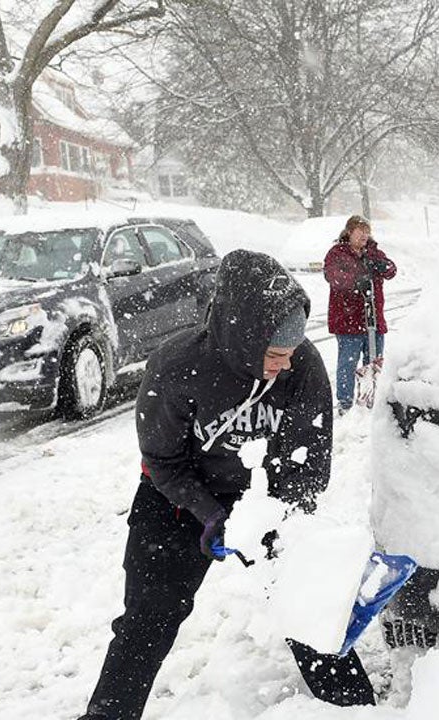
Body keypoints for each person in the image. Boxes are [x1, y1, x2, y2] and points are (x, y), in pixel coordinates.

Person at [79, 250, 375, 720]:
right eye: (275, 355)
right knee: (150, 615)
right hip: (176, 497)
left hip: (264, 498)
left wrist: (268, 519)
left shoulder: (304, 369)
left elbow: (307, 467)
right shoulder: (176, 366)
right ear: (244, 338)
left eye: (291, 354)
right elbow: (163, 461)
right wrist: (210, 514)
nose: (284, 365)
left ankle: (357, 708)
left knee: (305, 600)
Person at [323, 215, 397, 412]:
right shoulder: (337, 253)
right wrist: (356, 281)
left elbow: (391, 270)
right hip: (348, 320)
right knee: (348, 363)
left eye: (367, 231)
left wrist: (383, 266)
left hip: (374, 319)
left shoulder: (374, 253)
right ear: (349, 232)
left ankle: (371, 399)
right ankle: (345, 403)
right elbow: (332, 275)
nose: (365, 234)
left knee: (374, 362)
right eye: (360, 230)